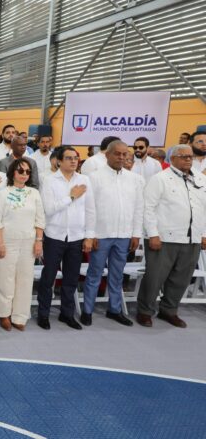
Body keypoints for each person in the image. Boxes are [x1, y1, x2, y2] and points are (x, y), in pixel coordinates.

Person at [137, 144, 206, 328]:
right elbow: (148, 208)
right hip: (163, 238)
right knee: (154, 278)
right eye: (184, 156)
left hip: (191, 238)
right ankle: (145, 311)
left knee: (181, 278)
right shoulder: (159, 179)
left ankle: (169, 310)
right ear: (173, 159)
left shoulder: (201, 179)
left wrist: (204, 233)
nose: (188, 160)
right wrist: (153, 234)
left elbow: (204, 208)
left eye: (190, 156)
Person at [82, 140, 142, 327]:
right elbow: (89, 208)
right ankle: (87, 311)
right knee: (94, 274)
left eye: (125, 154)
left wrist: (136, 234)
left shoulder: (134, 179)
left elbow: (138, 208)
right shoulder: (94, 177)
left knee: (117, 276)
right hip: (101, 235)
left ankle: (114, 310)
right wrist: (91, 234)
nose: (121, 157)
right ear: (107, 154)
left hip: (124, 235)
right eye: (117, 153)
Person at [37, 146, 95, 330]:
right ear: (59, 161)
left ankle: (67, 314)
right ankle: (43, 314)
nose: (73, 161)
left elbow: (90, 210)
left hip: (77, 237)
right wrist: (71, 197)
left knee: (71, 278)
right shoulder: (49, 180)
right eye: (69, 158)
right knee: (48, 278)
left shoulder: (84, 180)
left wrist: (89, 236)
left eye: (76, 158)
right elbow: (48, 209)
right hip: (54, 236)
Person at [0, 158, 45, 331]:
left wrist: (39, 241)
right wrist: (0, 243)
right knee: (5, 279)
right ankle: (4, 314)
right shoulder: (3, 193)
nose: (24, 174)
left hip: (29, 242)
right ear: (12, 173)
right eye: (21, 171)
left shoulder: (34, 193)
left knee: (25, 279)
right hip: (7, 241)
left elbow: (40, 219)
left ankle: (20, 316)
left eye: (28, 172)